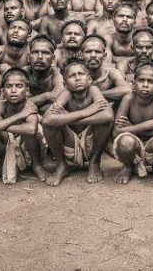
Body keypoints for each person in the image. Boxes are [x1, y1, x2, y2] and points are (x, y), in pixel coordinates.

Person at [41, 58, 115, 186]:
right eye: (72, 76)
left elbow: (108, 116)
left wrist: (69, 118)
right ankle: (61, 165)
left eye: (81, 74)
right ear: (65, 84)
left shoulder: (93, 91)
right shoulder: (65, 94)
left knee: (104, 122)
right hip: (70, 143)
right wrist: (87, 112)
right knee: (50, 125)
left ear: (89, 79)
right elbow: (47, 120)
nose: (77, 78)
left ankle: (94, 163)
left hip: (91, 143)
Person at [112, 62, 153, 184]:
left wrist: (131, 128)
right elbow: (116, 132)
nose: (145, 85)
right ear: (133, 84)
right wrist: (146, 125)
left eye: (150, 81)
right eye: (141, 80)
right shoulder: (128, 98)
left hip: (152, 143)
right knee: (126, 142)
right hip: (133, 143)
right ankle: (128, 167)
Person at [0, 68, 47, 183]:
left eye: (19, 86)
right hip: (8, 143)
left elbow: (31, 129)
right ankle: (3, 163)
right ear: (3, 91)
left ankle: (37, 165)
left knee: (33, 131)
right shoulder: (0, 106)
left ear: (27, 91)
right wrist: (20, 116)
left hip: (28, 147)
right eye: (9, 86)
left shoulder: (30, 106)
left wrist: (1, 125)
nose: (13, 90)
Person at [81, 34, 129, 102]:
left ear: (105, 56)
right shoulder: (75, 73)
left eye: (98, 52)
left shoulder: (111, 72)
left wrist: (96, 94)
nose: (93, 55)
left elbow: (127, 89)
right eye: (88, 52)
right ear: (81, 55)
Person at [24, 35, 65, 111]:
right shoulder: (22, 73)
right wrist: (47, 96)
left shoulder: (58, 74)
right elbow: (13, 104)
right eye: (35, 52)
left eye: (45, 53)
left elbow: (59, 98)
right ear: (28, 58)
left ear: (53, 59)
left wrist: (31, 101)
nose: (39, 57)